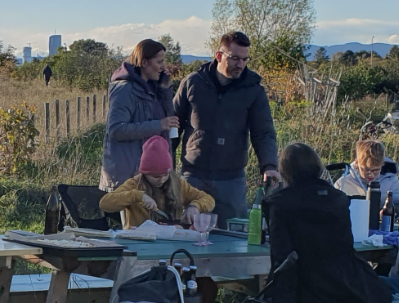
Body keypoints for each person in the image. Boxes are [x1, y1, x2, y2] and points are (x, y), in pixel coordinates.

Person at [262, 142, 390, 303]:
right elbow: (346, 247)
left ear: (286, 171)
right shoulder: (338, 198)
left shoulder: (280, 203)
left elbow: (282, 256)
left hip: (310, 289)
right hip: (347, 287)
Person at [173, 31, 281, 225]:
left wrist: (270, 165)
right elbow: (173, 127)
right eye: (235, 58)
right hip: (193, 177)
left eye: (245, 59)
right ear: (219, 56)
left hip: (231, 181)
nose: (240, 65)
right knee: (187, 236)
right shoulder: (193, 83)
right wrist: (165, 165)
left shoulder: (253, 90)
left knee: (232, 240)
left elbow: (263, 132)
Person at [101, 38, 177, 190]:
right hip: (127, 178)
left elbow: (169, 119)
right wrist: (158, 125)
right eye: (159, 62)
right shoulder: (125, 89)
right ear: (144, 63)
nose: (163, 67)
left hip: (150, 176)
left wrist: (165, 88)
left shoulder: (151, 86)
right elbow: (116, 130)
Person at [99, 134, 216, 229]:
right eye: (155, 176)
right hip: (142, 244)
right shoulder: (134, 184)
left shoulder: (179, 185)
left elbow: (209, 200)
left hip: (173, 242)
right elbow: (105, 203)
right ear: (145, 173)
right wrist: (137, 196)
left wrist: (194, 206)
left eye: (165, 175)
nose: (161, 180)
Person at [333, 139, 399, 218]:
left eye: (376, 170)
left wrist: (392, 210)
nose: (371, 174)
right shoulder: (342, 183)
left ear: (382, 164)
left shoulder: (391, 179)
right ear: (357, 163)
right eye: (366, 169)